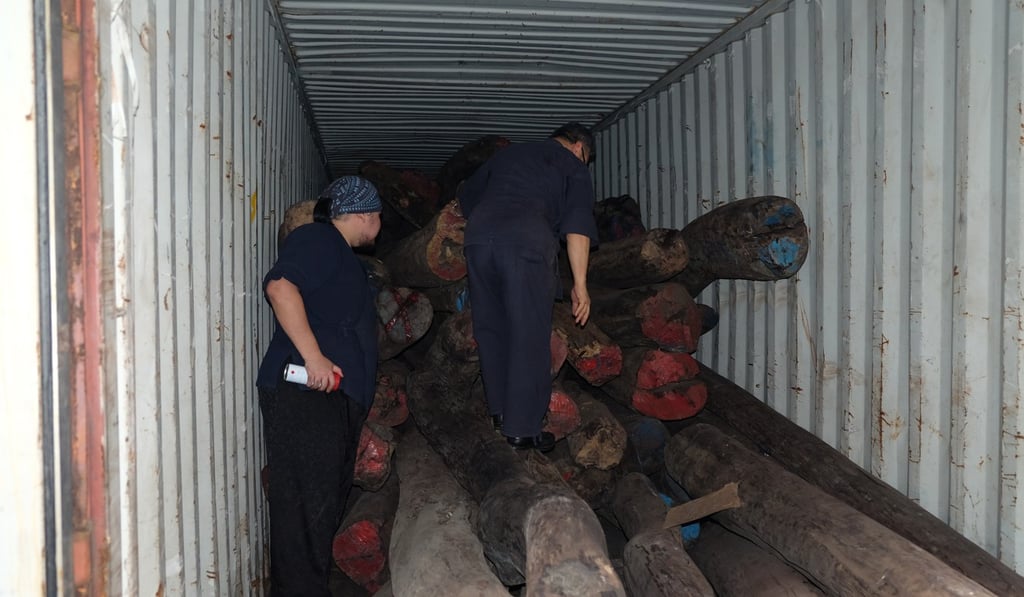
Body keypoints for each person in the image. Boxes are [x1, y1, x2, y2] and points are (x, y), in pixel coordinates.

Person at [255, 175, 383, 596]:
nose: (379, 225)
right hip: (308, 397)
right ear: (363, 215)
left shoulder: (341, 256)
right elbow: (280, 286)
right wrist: (313, 357)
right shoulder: (319, 239)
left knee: (319, 510)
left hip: (331, 402)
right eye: (379, 216)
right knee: (304, 512)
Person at [458, 122, 599, 452]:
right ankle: (522, 430)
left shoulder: (509, 154)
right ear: (580, 148)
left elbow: (466, 197)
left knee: (491, 326)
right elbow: (577, 226)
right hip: (525, 241)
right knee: (529, 332)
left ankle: (499, 412)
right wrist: (580, 284)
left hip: (478, 238)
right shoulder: (571, 165)